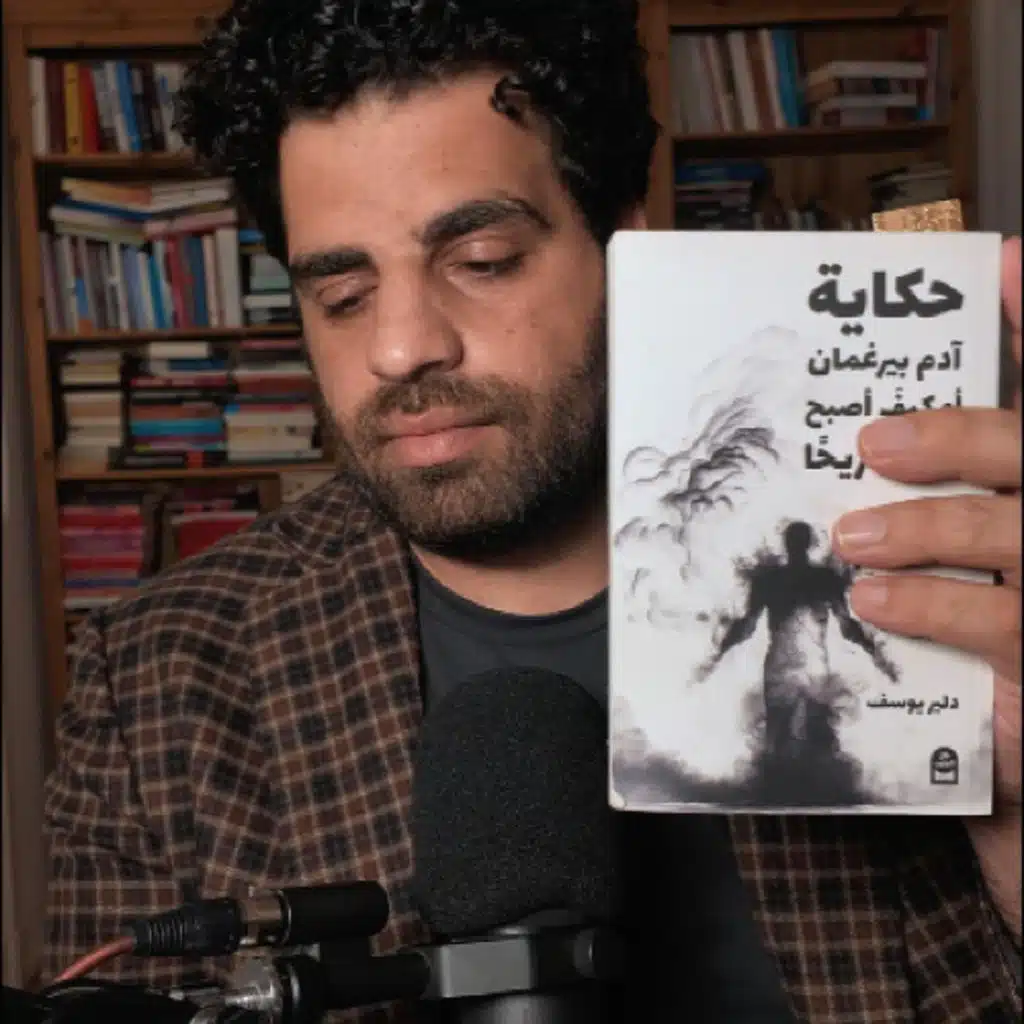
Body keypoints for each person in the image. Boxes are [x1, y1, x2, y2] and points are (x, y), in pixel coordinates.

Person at [41, 1, 1022, 1021]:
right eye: (342, 296)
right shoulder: (152, 683)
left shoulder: (922, 568)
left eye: (482, 262)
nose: (401, 347)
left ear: (627, 248)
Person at [697, 519, 900, 760]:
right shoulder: (823, 579)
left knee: (780, 737)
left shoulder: (770, 580)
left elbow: (746, 627)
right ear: (810, 544)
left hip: (784, 667)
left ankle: (781, 776)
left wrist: (717, 655)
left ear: (786, 544)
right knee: (815, 736)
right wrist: (877, 655)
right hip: (810, 667)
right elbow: (848, 628)